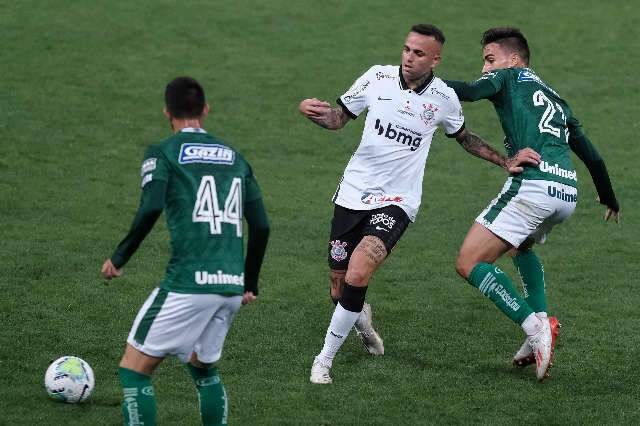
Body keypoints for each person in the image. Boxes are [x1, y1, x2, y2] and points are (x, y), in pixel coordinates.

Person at [299, 24, 538, 384]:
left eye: (419, 53)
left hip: (397, 200)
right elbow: (338, 119)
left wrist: (505, 161)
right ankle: (360, 318)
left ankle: (324, 360)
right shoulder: (375, 78)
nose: (410, 57)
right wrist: (313, 112)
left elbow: (465, 138)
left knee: (359, 271)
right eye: (407, 50)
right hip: (352, 192)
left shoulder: (443, 97)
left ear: (435, 59)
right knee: (340, 287)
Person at [444, 27, 620, 382]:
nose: (485, 68)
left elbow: (470, 90)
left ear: (514, 59)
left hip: (534, 187)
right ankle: (541, 323)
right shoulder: (556, 98)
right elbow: (594, 158)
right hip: (567, 193)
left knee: (468, 263)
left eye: (490, 59)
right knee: (521, 246)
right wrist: (609, 197)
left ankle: (533, 328)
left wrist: (424, 81)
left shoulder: (507, 77)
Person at [101, 76, 270, 425]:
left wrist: (118, 258)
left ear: (167, 112)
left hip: (187, 284)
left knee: (134, 370)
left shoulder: (162, 152)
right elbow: (262, 225)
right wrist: (248, 283)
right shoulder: (235, 157)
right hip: (230, 286)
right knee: (203, 367)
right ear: (205, 110)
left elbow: (150, 207)